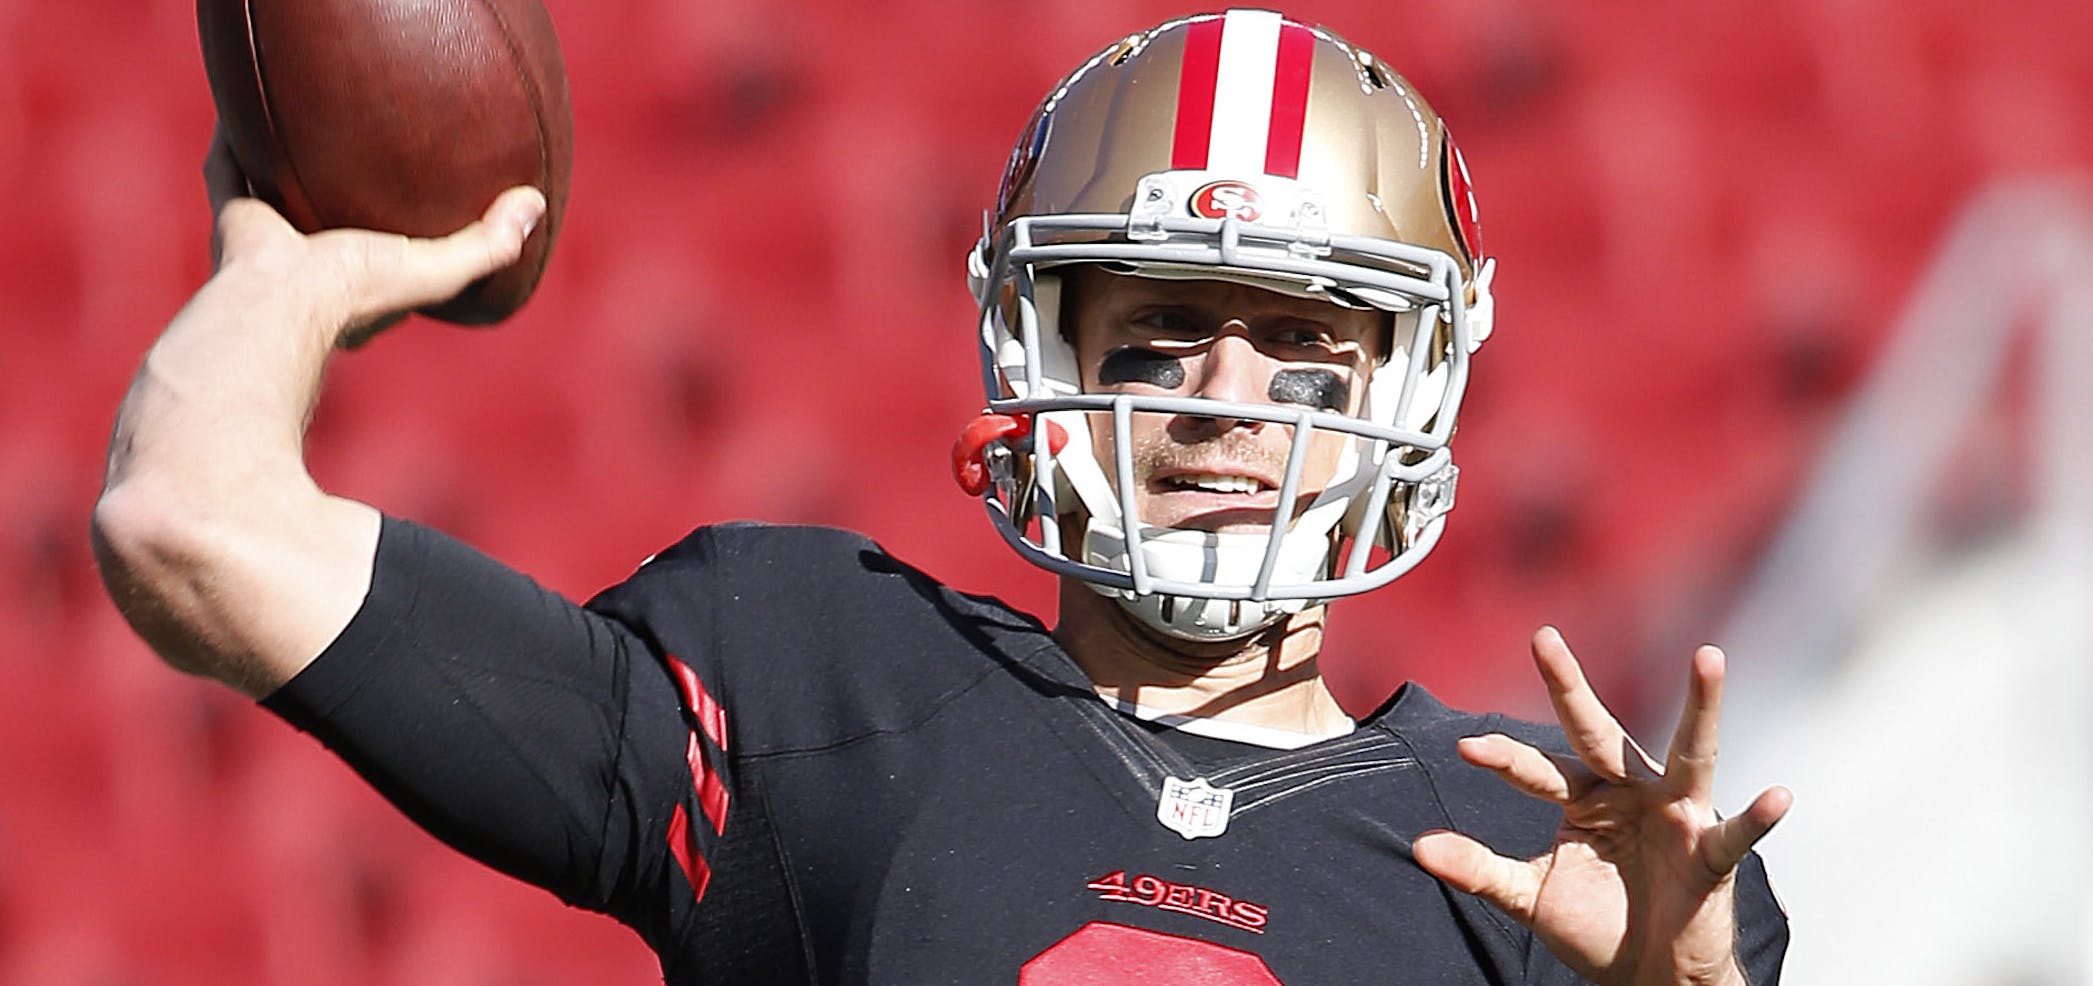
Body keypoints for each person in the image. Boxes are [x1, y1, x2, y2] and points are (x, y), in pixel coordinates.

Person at [93, 9, 1790, 984]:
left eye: (1304, 354)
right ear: (1042, 350)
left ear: (1411, 393)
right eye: (1161, 336)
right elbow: (194, 522)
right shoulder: (816, 679)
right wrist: (298, 263)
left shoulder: (1536, 854)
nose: (1224, 405)